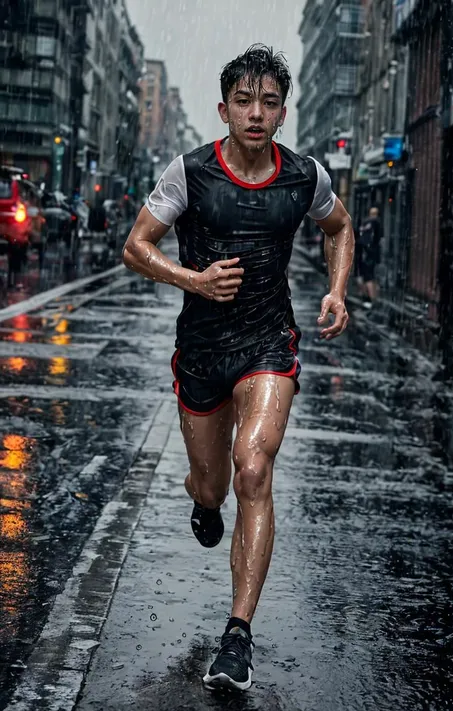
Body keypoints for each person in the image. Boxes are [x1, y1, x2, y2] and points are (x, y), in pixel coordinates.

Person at [123, 44, 354, 692]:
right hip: (201, 350)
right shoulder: (190, 173)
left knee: (255, 465)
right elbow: (135, 247)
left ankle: (237, 636)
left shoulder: (304, 177)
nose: (257, 112)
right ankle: (204, 499)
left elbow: (339, 227)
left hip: (267, 343)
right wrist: (193, 277)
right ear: (224, 109)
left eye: (270, 101)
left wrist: (337, 289)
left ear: (284, 112)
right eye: (245, 101)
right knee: (212, 484)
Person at [356, 206, 383, 307]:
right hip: (371, 253)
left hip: (363, 253)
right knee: (371, 277)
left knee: (365, 276)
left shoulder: (365, 223)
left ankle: (366, 297)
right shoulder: (376, 223)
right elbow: (379, 238)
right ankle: (373, 299)